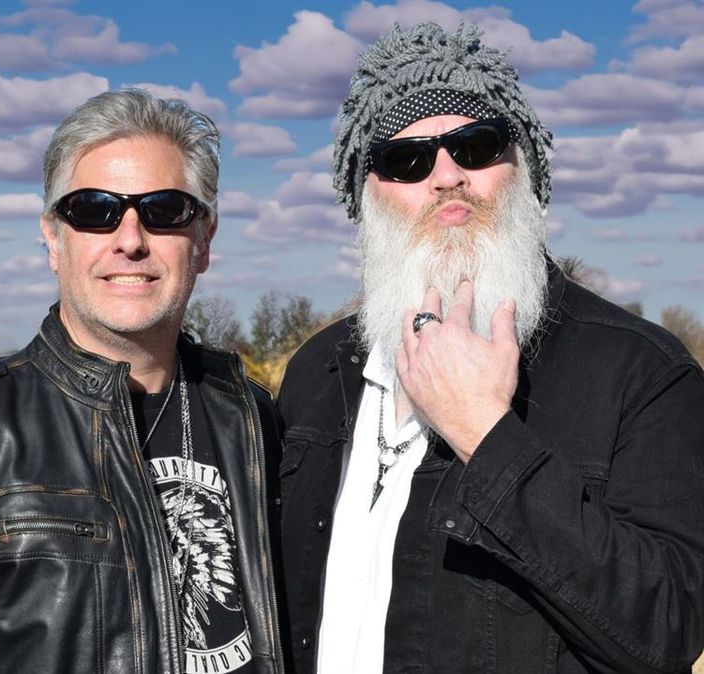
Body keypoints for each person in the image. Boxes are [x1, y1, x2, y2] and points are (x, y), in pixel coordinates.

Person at [276, 22, 704, 674]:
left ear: (524, 168)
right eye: (407, 160)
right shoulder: (317, 370)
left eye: (476, 146)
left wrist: (486, 435)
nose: (447, 176)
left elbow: (667, 630)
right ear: (366, 196)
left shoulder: (642, 372)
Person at [0, 89, 284, 673]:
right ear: (54, 238)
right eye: (93, 209)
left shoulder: (254, 419)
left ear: (204, 240)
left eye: (165, 210)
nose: (130, 240)